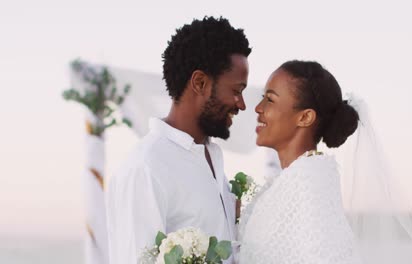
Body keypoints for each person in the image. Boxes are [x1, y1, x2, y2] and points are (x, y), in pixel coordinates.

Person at [106, 16, 251, 264]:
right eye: (236, 91)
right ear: (200, 83)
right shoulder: (146, 168)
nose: (242, 104)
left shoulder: (211, 156)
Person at [238, 60, 363, 263]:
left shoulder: (310, 187)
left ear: (305, 117)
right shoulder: (291, 182)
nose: (258, 108)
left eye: (270, 99)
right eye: (263, 97)